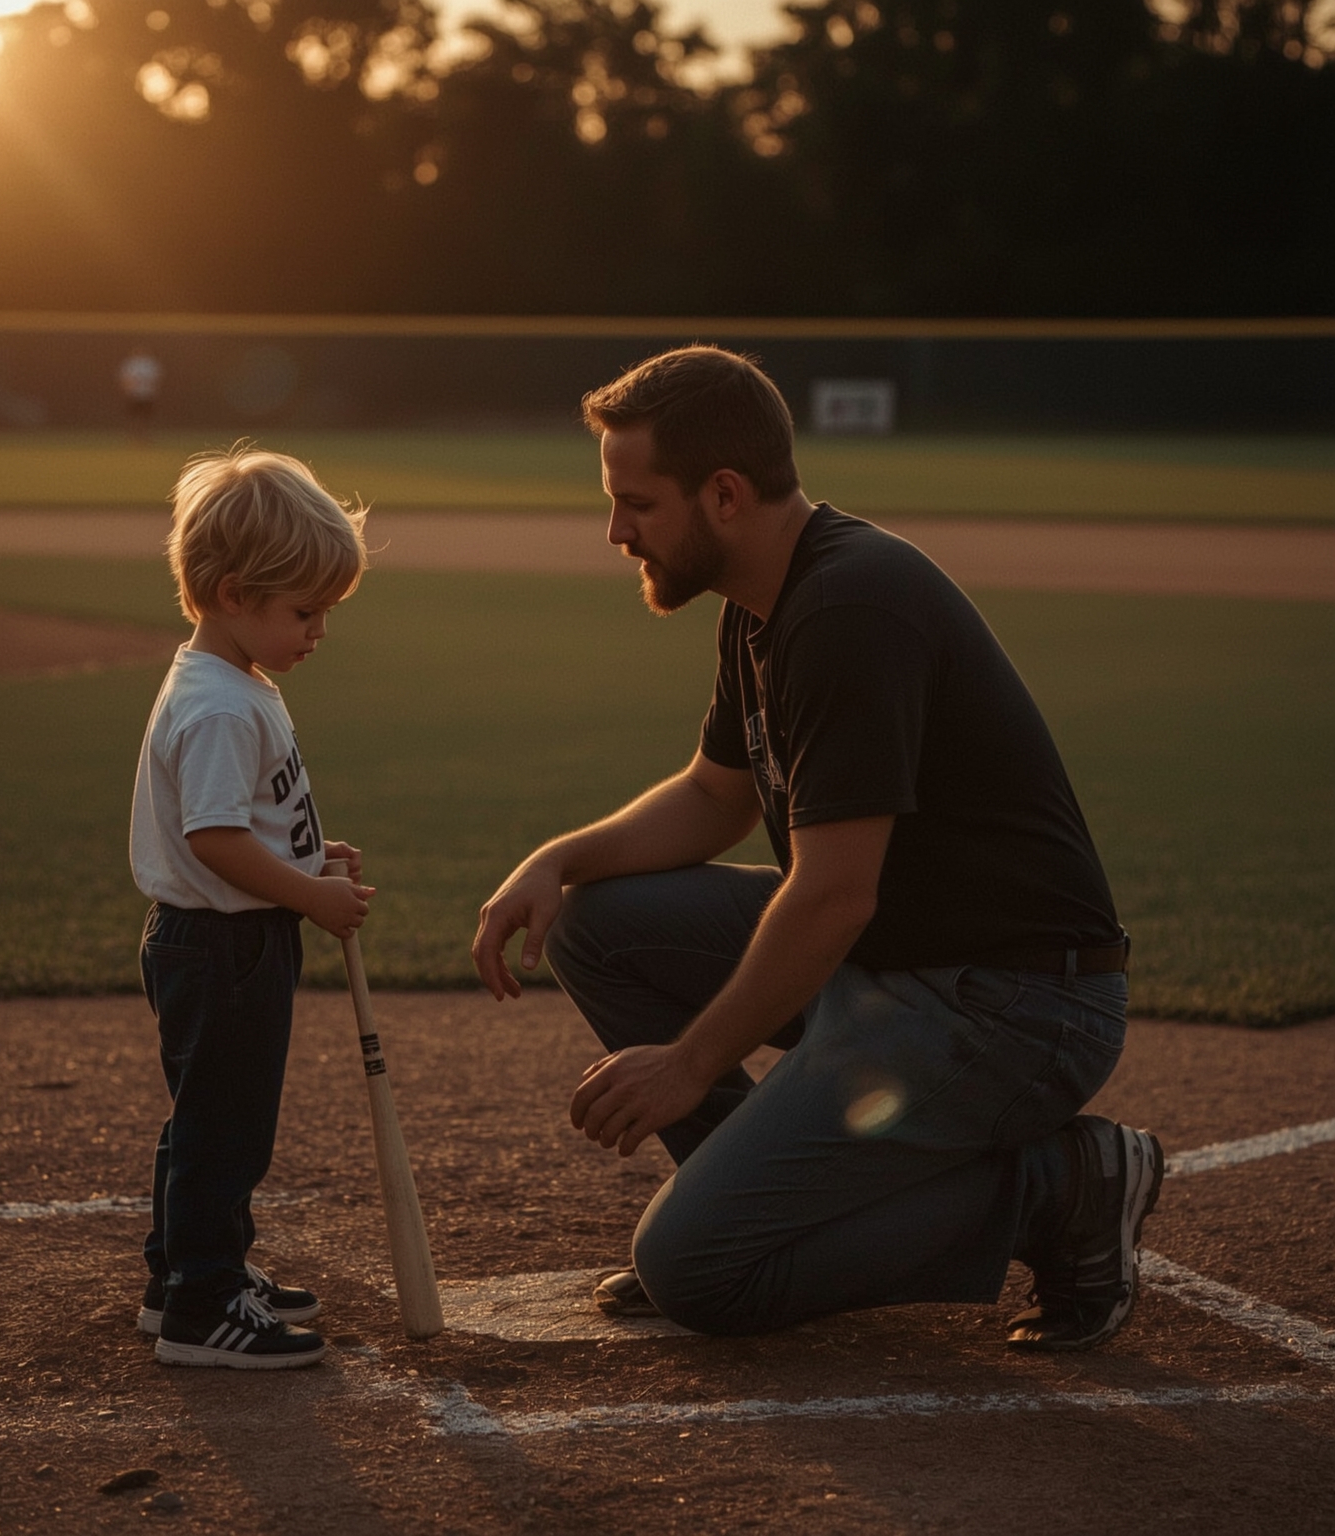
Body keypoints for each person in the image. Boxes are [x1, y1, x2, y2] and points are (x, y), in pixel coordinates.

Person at [472, 346, 1163, 1350]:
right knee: (599, 921)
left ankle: (1062, 1186)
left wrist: (689, 1062)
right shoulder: (767, 600)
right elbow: (715, 797)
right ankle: (738, 1197)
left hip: (1014, 1006)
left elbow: (835, 895)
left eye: (637, 503)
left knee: (696, 1274)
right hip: (907, 968)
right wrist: (557, 859)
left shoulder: (848, 606)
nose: (616, 531)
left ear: (724, 494)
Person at [130, 446, 374, 1369]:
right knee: (226, 1126)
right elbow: (215, 841)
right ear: (233, 593)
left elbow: (247, 824)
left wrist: (310, 854)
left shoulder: (233, 684)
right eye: (304, 611)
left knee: (210, 1116)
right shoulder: (223, 707)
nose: (318, 630)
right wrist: (308, 894)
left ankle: (186, 1271)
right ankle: (203, 1302)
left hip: (222, 937)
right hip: (224, 943)